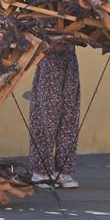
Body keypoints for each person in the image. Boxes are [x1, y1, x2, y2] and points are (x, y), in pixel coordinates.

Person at [29, 42, 81, 188]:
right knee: (46, 116)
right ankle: (40, 172)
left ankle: (63, 172)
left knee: (69, 116)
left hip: (69, 58)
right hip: (49, 57)